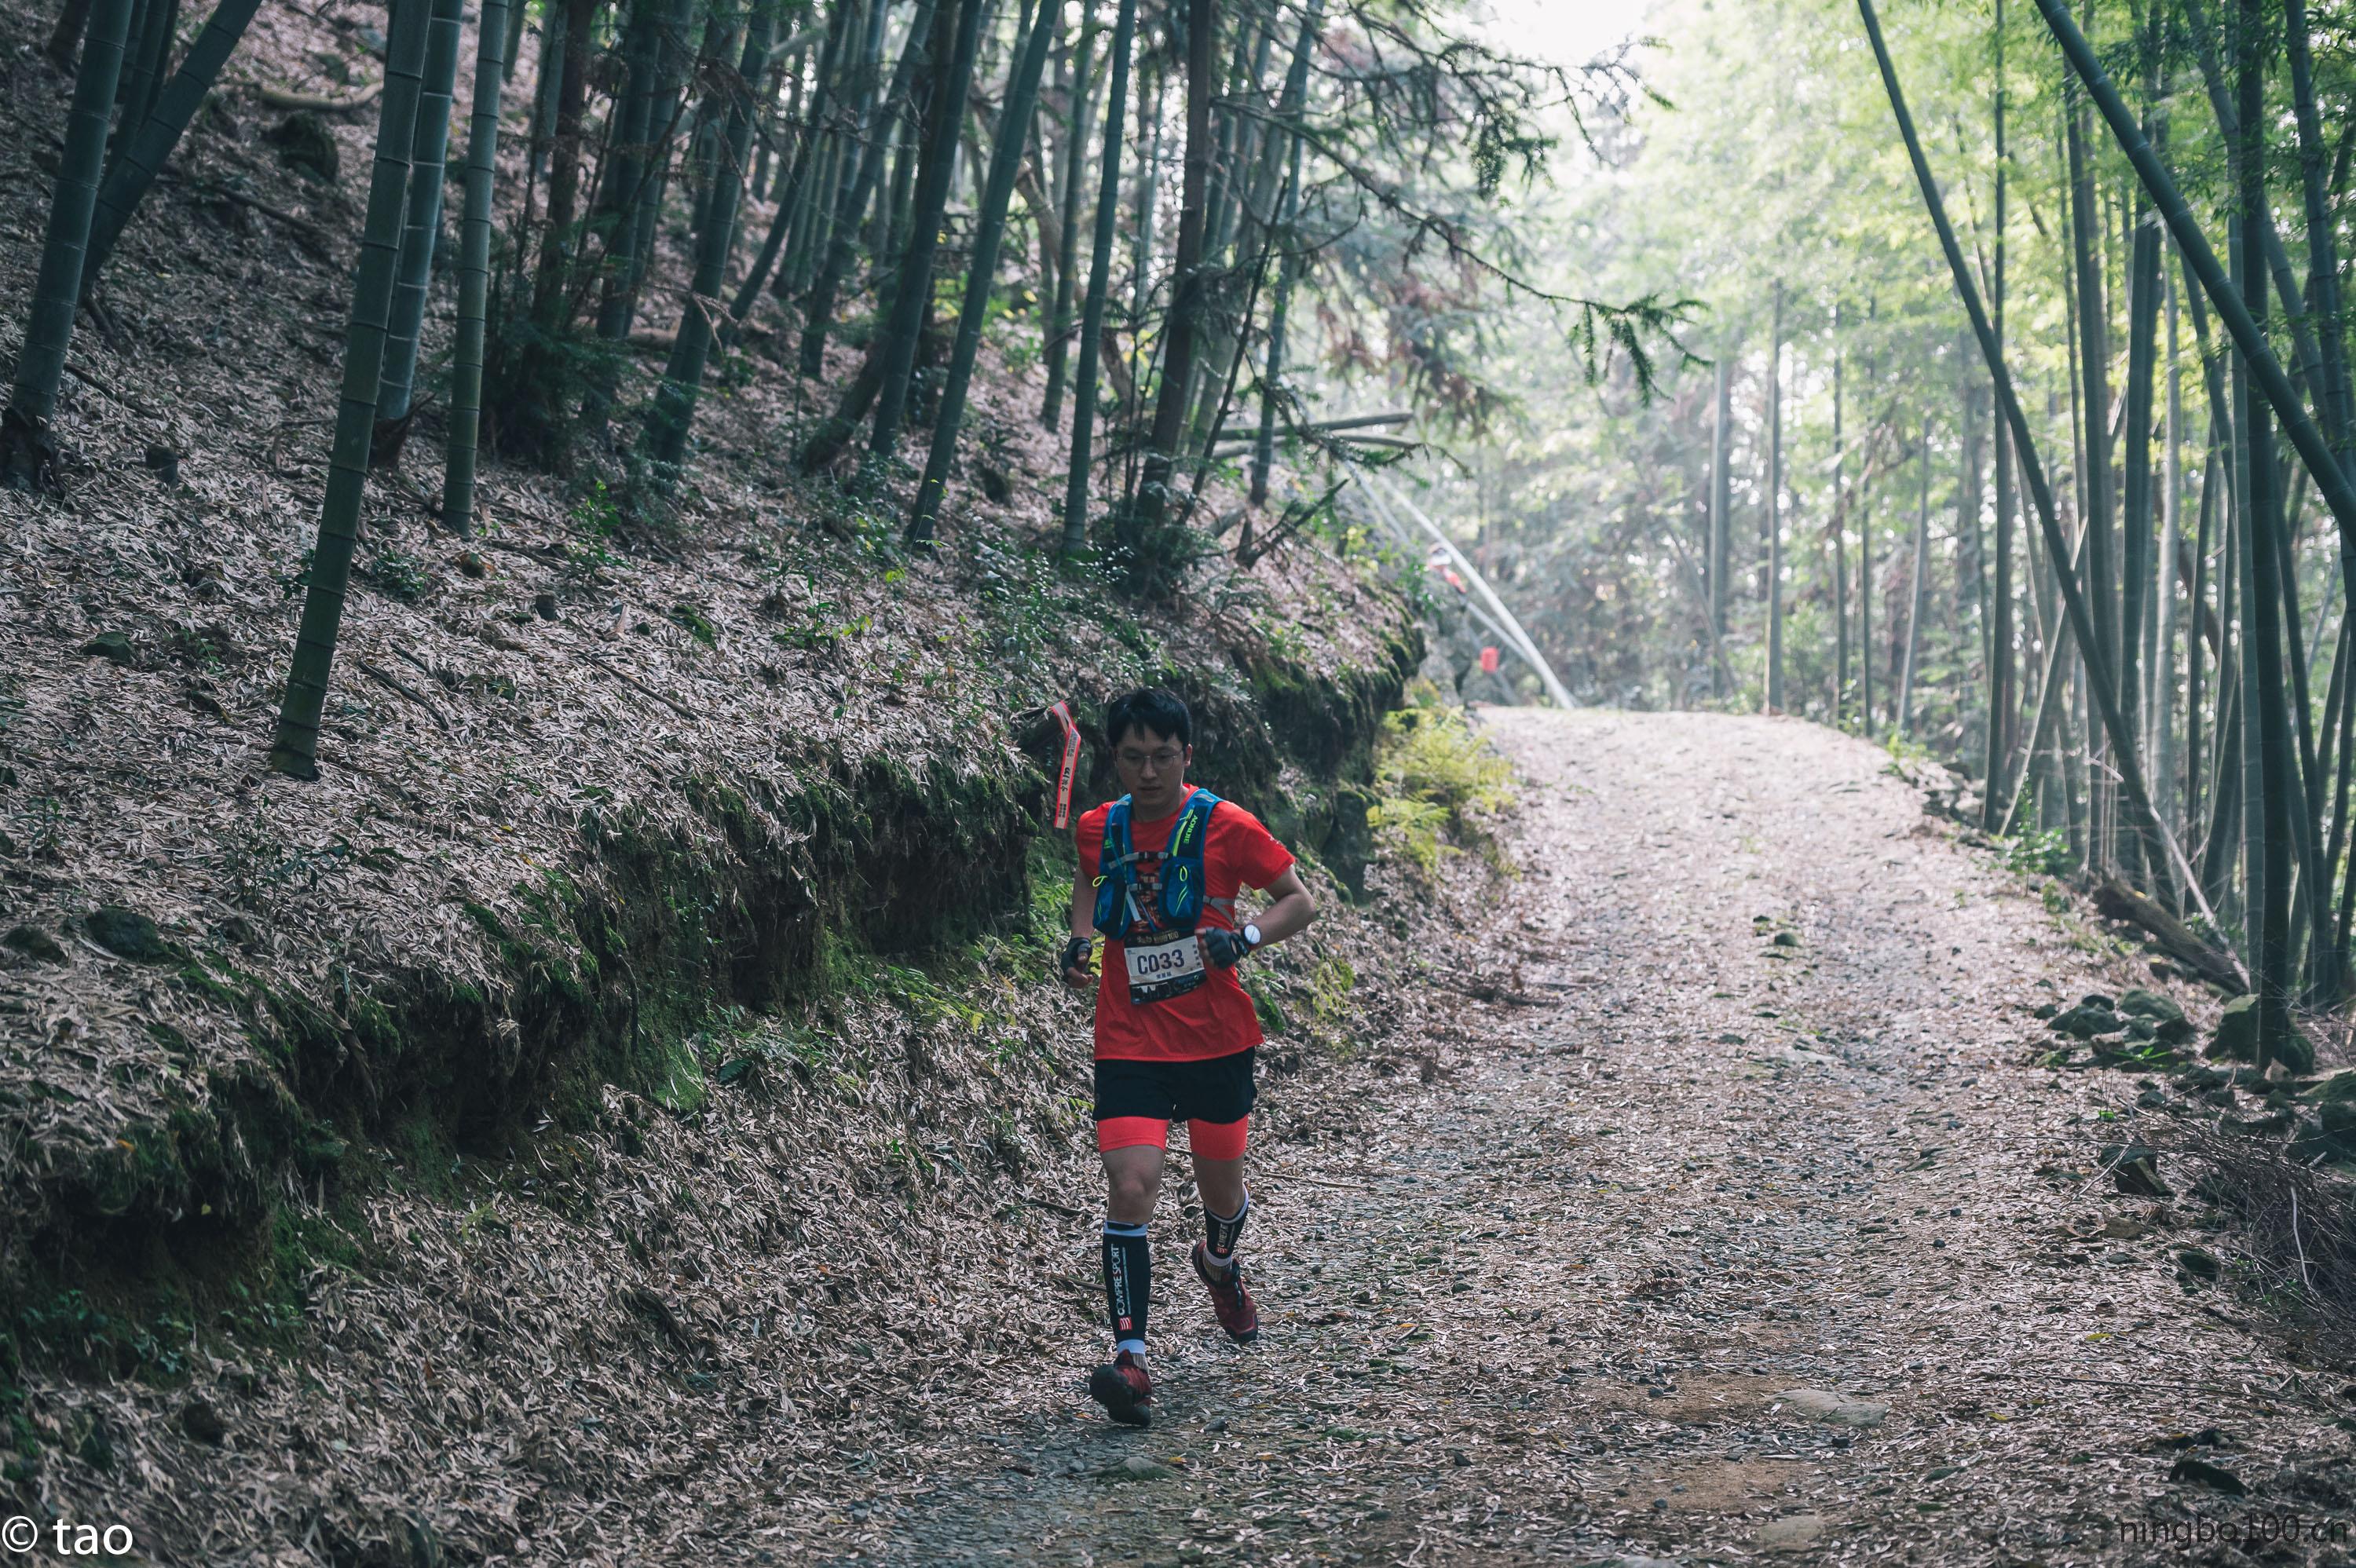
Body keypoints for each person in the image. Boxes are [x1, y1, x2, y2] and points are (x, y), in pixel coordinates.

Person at [1059, 688, 1315, 1427]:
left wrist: (1245, 937)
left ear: (1187, 756)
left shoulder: (1227, 825)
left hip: (1216, 1041)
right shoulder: (1098, 827)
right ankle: (1131, 1359)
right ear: (1115, 758)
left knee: (1222, 1197)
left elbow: (1298, 899)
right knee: (1131, 1186)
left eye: (1163, 757)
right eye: (1133, 757)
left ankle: (1219, 1263)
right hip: (1129, 1040)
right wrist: (1081, 939)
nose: (1149, 772)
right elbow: (1088, 879)